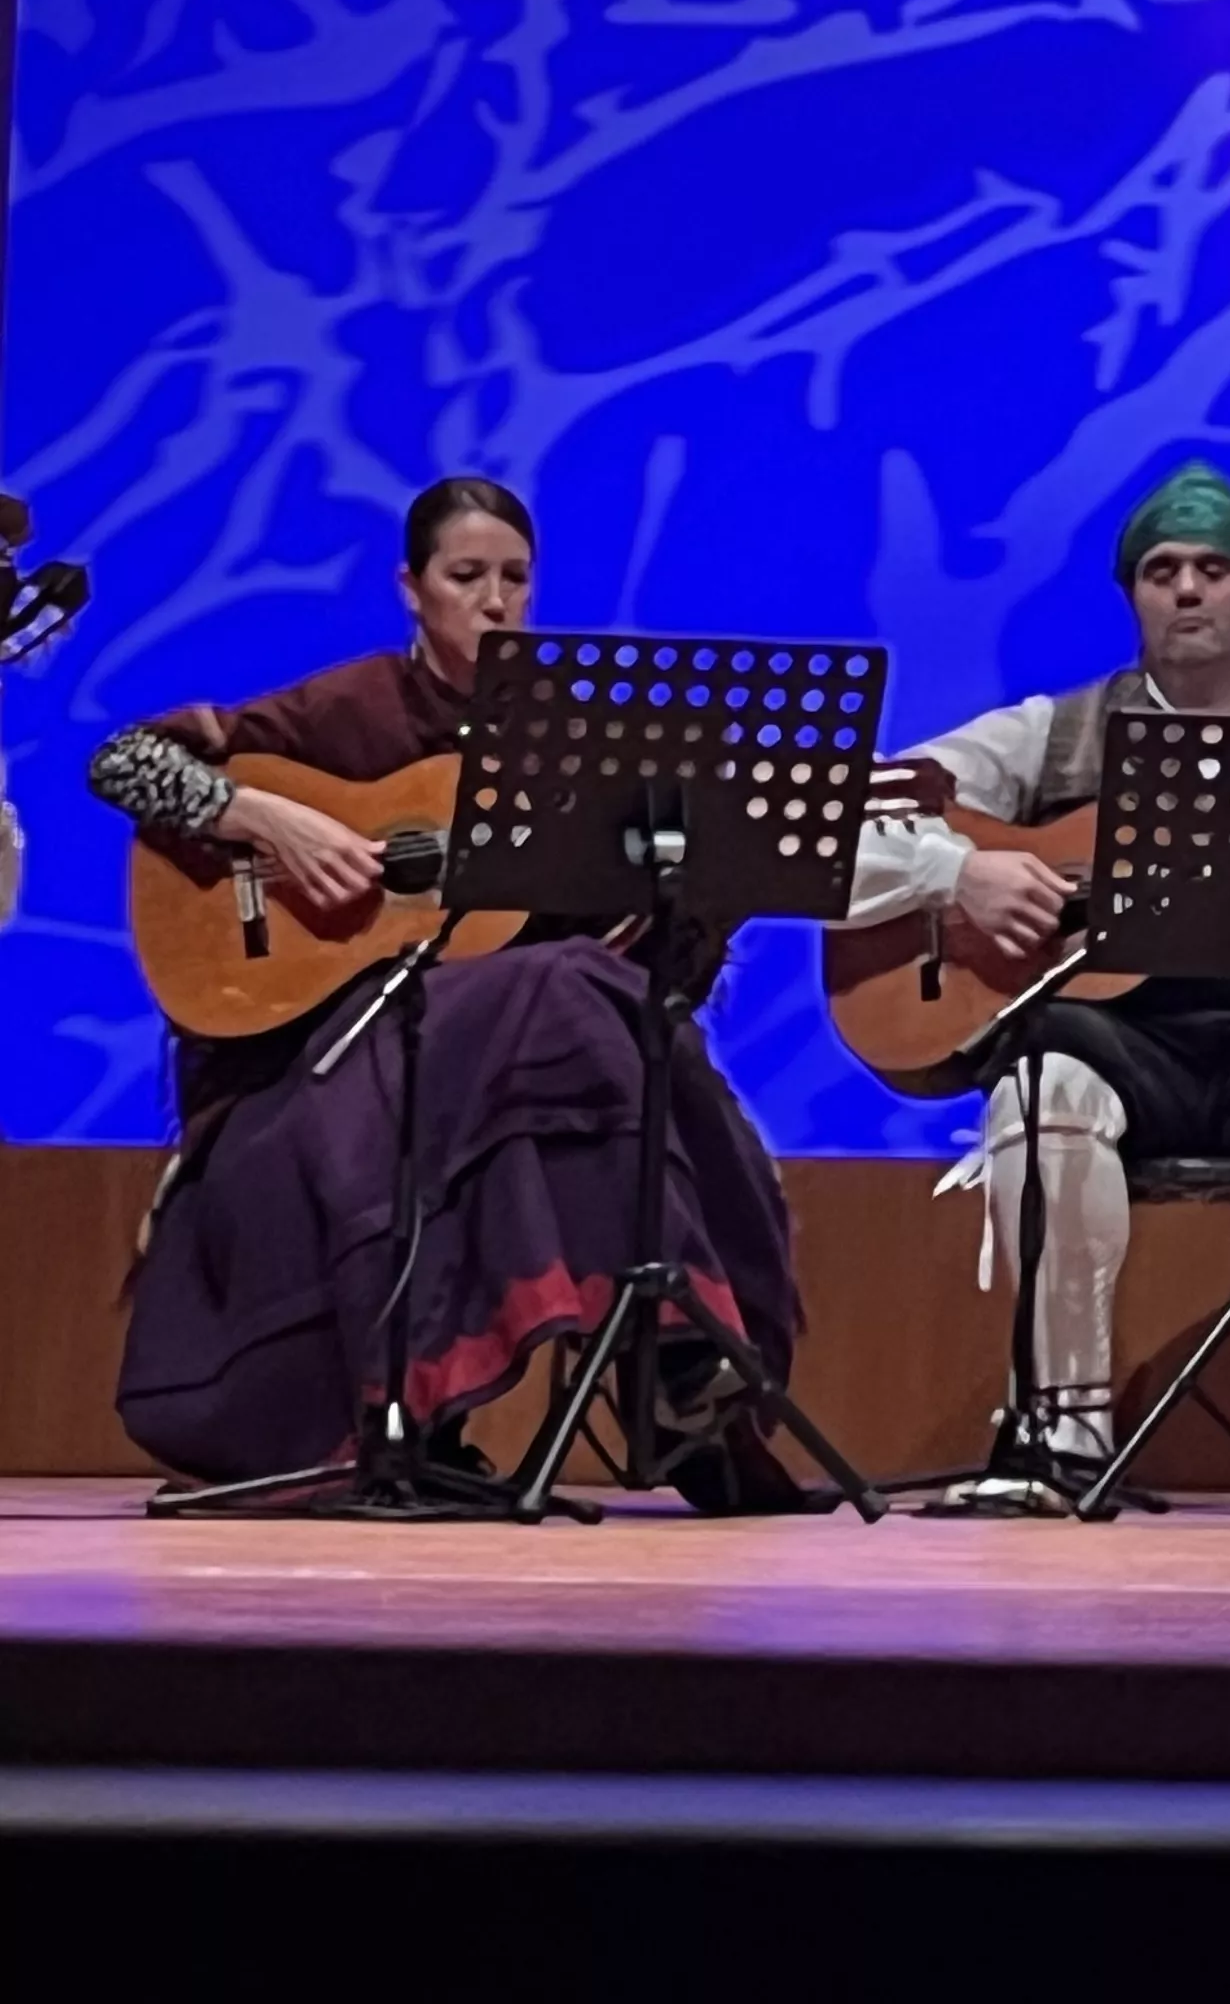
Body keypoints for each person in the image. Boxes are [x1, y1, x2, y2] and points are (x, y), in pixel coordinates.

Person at [89, 476, 805, 1500]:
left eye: (516, 577)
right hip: (323, 1050)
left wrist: (698, 893)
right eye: (467, 576)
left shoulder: (569, 741)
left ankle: (685, 1348)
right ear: (411, 588)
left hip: (496, 1052)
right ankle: (673, 1359)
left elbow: (642, 967)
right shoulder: (352, 707)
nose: (496, 600)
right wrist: (266, 819)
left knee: (608, 1008)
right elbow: (122, 761)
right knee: (564, 985)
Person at [841, 461, 1230, 1512]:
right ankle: (1062, 1426)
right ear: (1132, 596)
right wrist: (961, 875)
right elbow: (846, 816)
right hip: (1119, 1044)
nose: (1187, 589)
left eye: (1213, 569)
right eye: (1161, 570)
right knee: (1045, 1077)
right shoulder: (1051, 733)